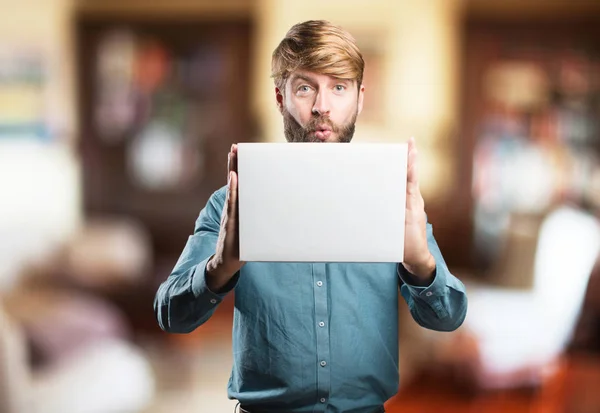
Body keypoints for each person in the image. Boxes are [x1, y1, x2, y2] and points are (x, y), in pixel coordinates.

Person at [154, 20, 468, 413]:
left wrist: (421, 265)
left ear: (360, 98)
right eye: (305, 87)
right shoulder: (232, 202)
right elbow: (170, 315)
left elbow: (449, 318)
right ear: (280, 98)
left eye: (339, 87)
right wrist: (219, 267)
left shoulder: (394, 198)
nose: (322, 105)